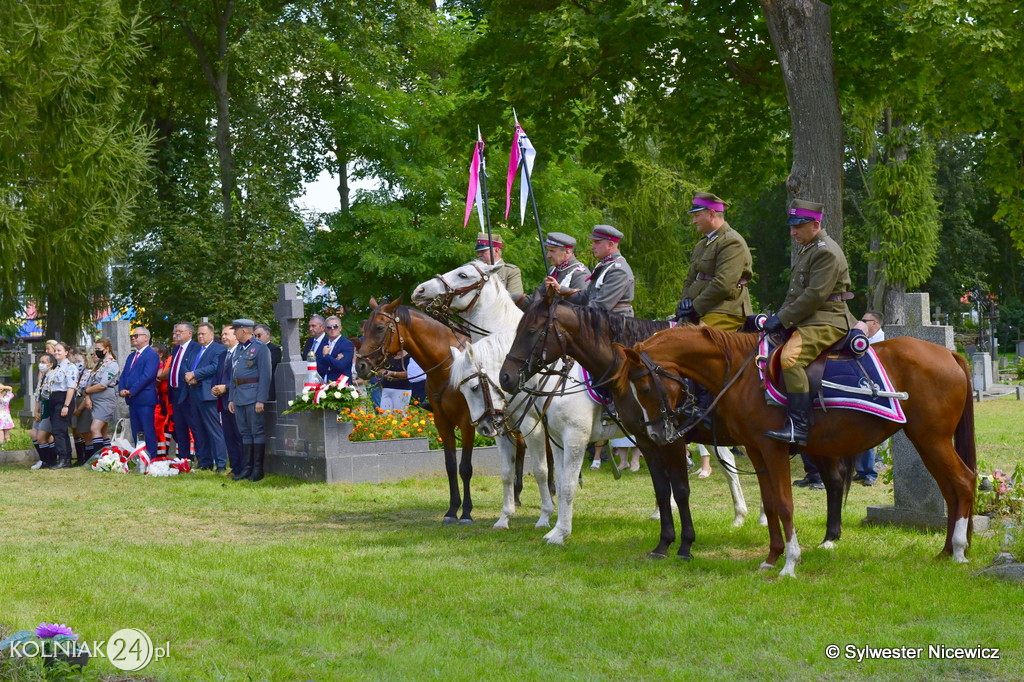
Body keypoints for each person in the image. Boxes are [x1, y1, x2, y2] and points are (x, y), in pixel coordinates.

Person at [763, 199, 857, 447]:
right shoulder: (810, 248)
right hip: (812, 317)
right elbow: (796, 293)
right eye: (791, 226)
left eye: (798, 226)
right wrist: (780, 316)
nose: (793, 232)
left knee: (790, 359)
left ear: (815, 224)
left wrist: (782, 319)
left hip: (827, 319)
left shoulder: (826, 251)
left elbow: (814, 296)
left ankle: (798, 427)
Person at [675, 191, 755, 478]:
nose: (694, 220)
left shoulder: (732, 241)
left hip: (727, 310)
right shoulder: (703, 243)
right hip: (701, 310)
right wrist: (684, 306)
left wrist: (694, 307)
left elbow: (722, 284)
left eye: (697, 215)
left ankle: (706, 406)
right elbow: (690, 278)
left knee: (698, 346)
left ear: (712, 214)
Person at [549, 225, 635, 316]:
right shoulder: (605, 265)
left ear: (610, 244)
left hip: (615, 323)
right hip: (602, 320)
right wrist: (560, 289)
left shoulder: (618, 270)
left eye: (597, 242)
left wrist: (566, 313)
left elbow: (601, 305)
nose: (592, 247)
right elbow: (586, 296)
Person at [228, 319, 272, 481]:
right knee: (245, 433)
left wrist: (261, 399)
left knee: (257, 432)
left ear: (244, 331)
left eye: (236, 330)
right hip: (239, 396)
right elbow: (234, 375)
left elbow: (265, 375)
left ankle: (257, 469)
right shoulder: (238, 349)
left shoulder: (260, 348)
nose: (234, 333)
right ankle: (247, 468)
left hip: (253, 396)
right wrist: (231, 398)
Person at [186, 322, 228, 473]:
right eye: (199, 334)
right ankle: (204, 462)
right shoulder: (196, 350)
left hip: (208, 394)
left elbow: (215, 367)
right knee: (199, 430)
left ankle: (221, 463)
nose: (200, 336)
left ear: (211, 334)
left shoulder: (218, 349)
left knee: (214, 430)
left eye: (203, 334)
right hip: (194, 393)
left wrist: (196, 375)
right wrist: (189, 375)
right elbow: (188, 364)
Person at [852, 310, 886, 486]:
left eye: (865, 320)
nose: (862, 323)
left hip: (879, 390)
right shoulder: (863, 340)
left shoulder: (883, 341)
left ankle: (871, 471)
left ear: (876, 323)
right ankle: (862, 470)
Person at [118, 326, 160, 461]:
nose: (133, 338)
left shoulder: (151, 355)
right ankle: (139, 456)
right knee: (137, 430)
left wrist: (132, 390)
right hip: (133, 399)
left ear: (146, 338)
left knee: (147, 429)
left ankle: (151, 457)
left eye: (136, 336)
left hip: (144, 398)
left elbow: (147, 376)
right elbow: (125, 373)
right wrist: (122, 388)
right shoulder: (132, 356)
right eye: (132, 336)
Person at [77, 338, 120, 464]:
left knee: (94, 428)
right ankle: (108, 456)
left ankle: (98, 458)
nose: (96, 352)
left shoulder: (112, 364)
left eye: (99, 349)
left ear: (107, 349)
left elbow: (102, 385)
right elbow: (89, 383)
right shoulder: (99, 364)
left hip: (105, 399)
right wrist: (88, 396)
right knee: (103, 431)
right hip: (94, 399)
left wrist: (88, 391)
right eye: (95, 349)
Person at [168, 322, 205, 467]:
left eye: (179, 331)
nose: (176, 334)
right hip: (175, 393)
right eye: (175, 331)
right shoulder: (176, 349)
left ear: (189, 333)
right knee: (180, 428)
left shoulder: (196, 348)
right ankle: (184, 458)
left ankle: (202, 458)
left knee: (195, 427)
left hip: (189, 394)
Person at [212, 324, 244, 476]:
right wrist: (214, 388)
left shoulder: (242, 353)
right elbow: (218, 375)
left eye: (227, 334)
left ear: (236, 336)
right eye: (222, 334)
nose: (223, 337)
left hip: (237, 400)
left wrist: (227, 387)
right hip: (223, 402)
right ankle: (235, 467)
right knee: (229, 436)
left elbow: (242, 378)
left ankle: (244, 467)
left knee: (239, 436)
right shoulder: (223, 355)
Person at [47, 342, 78, 469]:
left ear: (66, 352)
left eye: (59, 350)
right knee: (60, 430)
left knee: (58, 430)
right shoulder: (57, 368)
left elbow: (71, 387)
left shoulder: (70, 367)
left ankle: (64, 458)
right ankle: (65, 458)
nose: (56, 352)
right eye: (55, 350)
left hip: (63, 399)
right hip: (54, 399)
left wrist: (66, 405)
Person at [30, 353, 57, 468]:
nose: (41, 365)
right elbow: (38, 395)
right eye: (40, 362)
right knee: (34, 435)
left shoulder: (53, 376)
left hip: (48, 410)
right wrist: (36, 411)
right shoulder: (42, 377)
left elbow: (52, 396)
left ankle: (48, 461)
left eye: (43, 362)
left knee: (42, 437)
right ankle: (44, 459)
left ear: (50, 364)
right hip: (41, 408)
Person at [316, 315, 356, 383]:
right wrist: (334, 361)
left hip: (341, 387)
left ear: (340, 328)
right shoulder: (323, 344)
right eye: (329, 327)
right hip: (323, 385)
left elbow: (340, 365)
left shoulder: (347, 344)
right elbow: (318, 367)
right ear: (325, 329)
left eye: (335, 326)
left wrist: (326, 355)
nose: (332, 329)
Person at [153, 343, 173, 456]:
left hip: (163, 401)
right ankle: (160, 454)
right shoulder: (162, 364)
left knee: (163, 428)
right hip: (161, 400)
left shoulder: (164, 365)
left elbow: (160, 377)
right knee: (160, 428)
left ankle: (162, 454)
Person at [254, 324, 282, 401]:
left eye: (259, 335)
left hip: (268, 387)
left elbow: (267, 366)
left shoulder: (274, 349)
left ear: (268, 334)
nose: (256, 338)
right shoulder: (253, 350)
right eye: (255, 336)